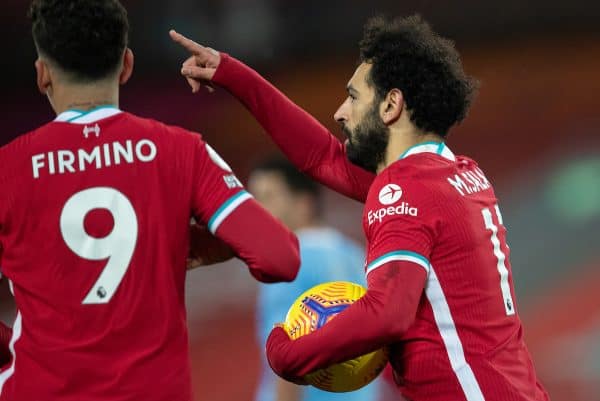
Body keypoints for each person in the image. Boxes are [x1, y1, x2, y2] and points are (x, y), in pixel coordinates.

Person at [170, 14, 550, 401]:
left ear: (391, 105)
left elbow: (388, 313)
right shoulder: (457, 175)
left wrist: (289, 354)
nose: (340, 112)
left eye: (353, 97)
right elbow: (322, 157)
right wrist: (233, 75)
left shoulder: (405, 190)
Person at [0, 1, 301, 400]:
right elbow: (280, 255)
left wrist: (13, 359)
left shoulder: (9, 169)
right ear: (126, 65)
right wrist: (210, 246)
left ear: (42, 75)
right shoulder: (180, 151)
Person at [249, 157, 380, 401]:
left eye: (268, 197)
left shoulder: (288, 262)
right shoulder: (354, 255)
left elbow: (285, 360)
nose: (256, 209)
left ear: (303, 203)